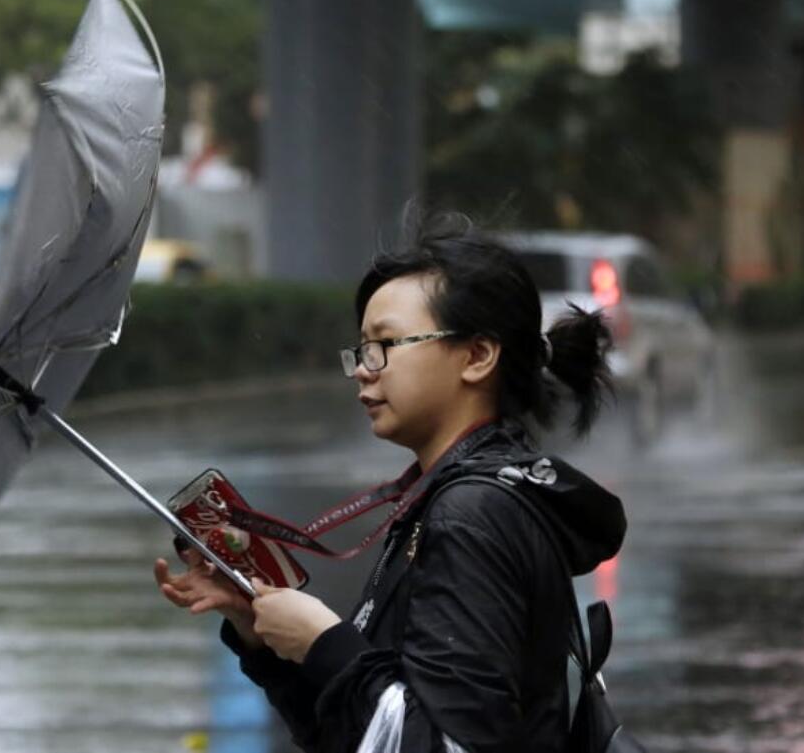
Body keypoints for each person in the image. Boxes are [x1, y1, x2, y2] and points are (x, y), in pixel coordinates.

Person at [154, 213, 628, 752]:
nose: (363, 367)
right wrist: (260, 635)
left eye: (385, 343)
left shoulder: (473, 513)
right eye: (360, 349)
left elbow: (446, 744)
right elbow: (354, 735)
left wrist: (326, 644)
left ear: (476, 356)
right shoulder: (461, 496)